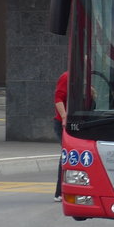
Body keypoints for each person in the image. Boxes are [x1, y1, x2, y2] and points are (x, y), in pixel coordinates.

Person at [53, 70, 68, 201]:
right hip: (63, 123)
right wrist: (64, 117)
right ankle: (60, 192)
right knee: (66, 155)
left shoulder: (86, 78)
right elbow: (58, 98)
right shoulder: (67, 76)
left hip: (76, 122)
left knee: (67, 155)